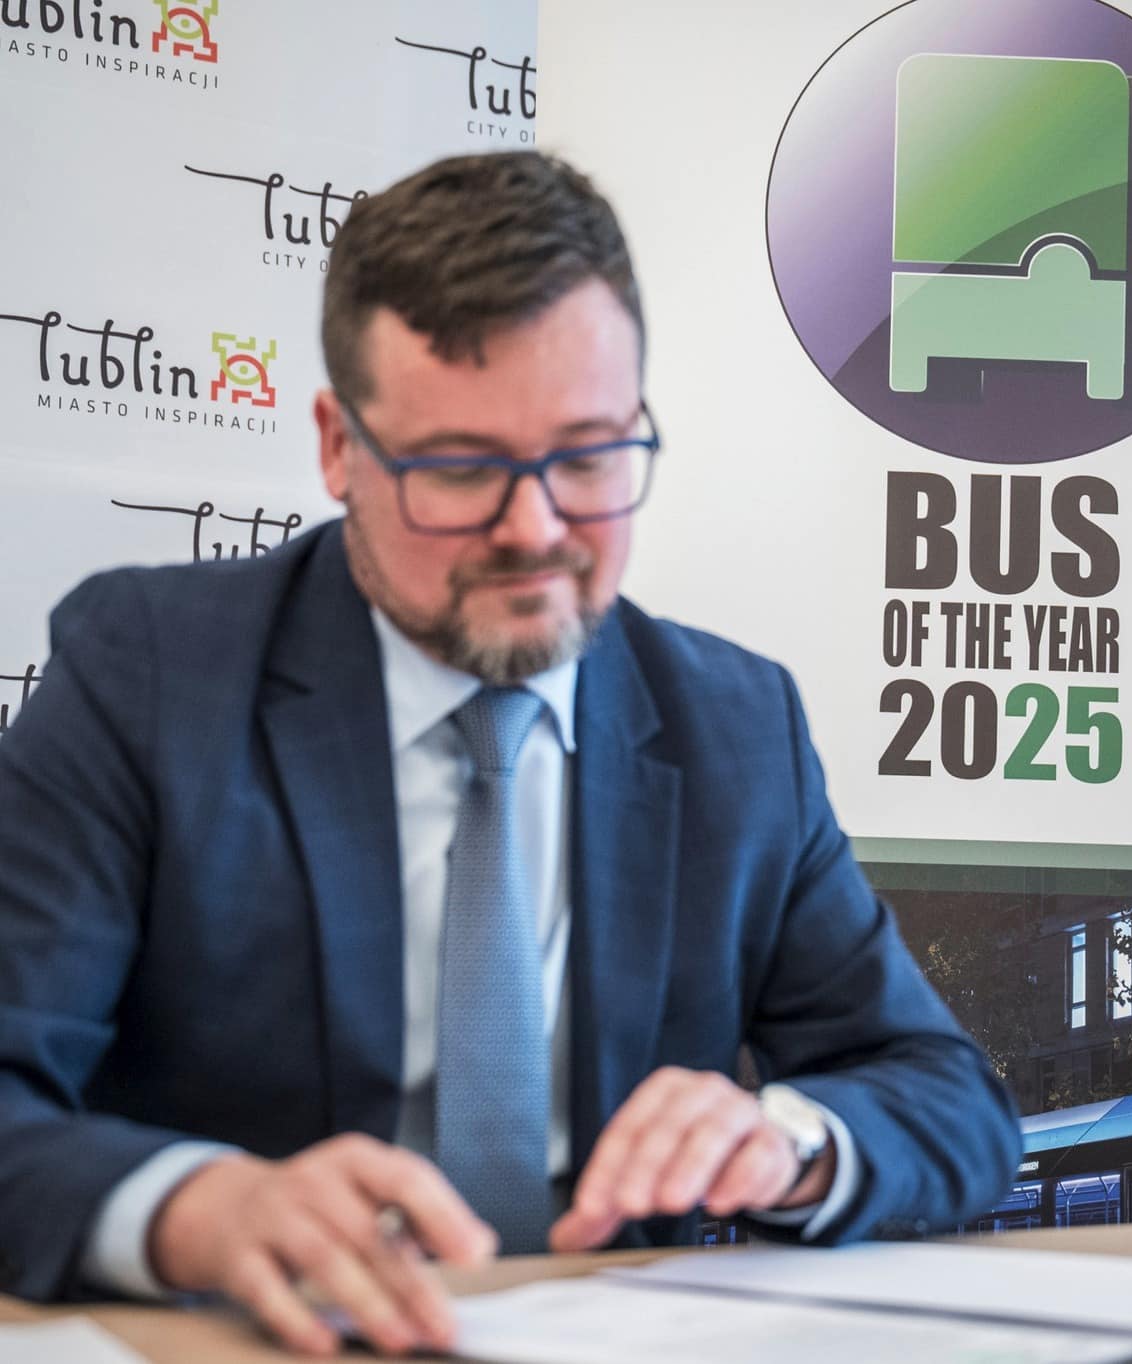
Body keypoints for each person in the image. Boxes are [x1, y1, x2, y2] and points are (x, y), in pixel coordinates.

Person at [0, 152, 1019, 1355]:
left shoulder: (737, 726)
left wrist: (787, 1140)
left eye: (586, 458)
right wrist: (195, 1208)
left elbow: (947, 1099)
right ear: (338, 447)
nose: (532, 530)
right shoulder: (149, 674)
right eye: (459, 468)